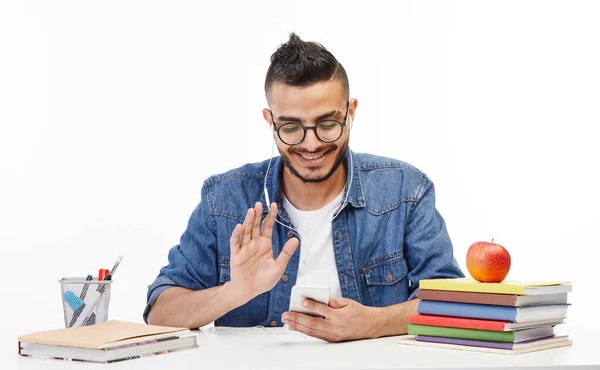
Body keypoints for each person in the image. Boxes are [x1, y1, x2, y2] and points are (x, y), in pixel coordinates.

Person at [144, 33, 464, 342]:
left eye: (327, 124)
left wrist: (372, 323)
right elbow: (160, 311)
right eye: (292, 127)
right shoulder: (223, 199)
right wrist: (234, 292)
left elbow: (453, 305)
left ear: (350, 113)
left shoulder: (405, 190)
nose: (311, 145)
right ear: (271, 121)